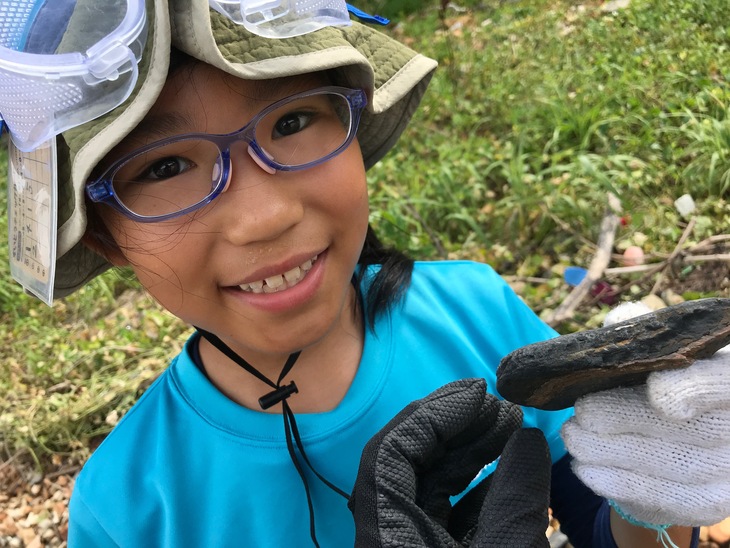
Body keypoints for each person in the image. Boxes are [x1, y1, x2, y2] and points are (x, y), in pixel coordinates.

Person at [1, 1, 728, 546]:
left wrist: (651, 491)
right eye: (162, 168)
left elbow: (604, 519)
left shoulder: (477, 318)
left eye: (290, 122)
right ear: (104, 239)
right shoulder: (132, 506)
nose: (263, 217)